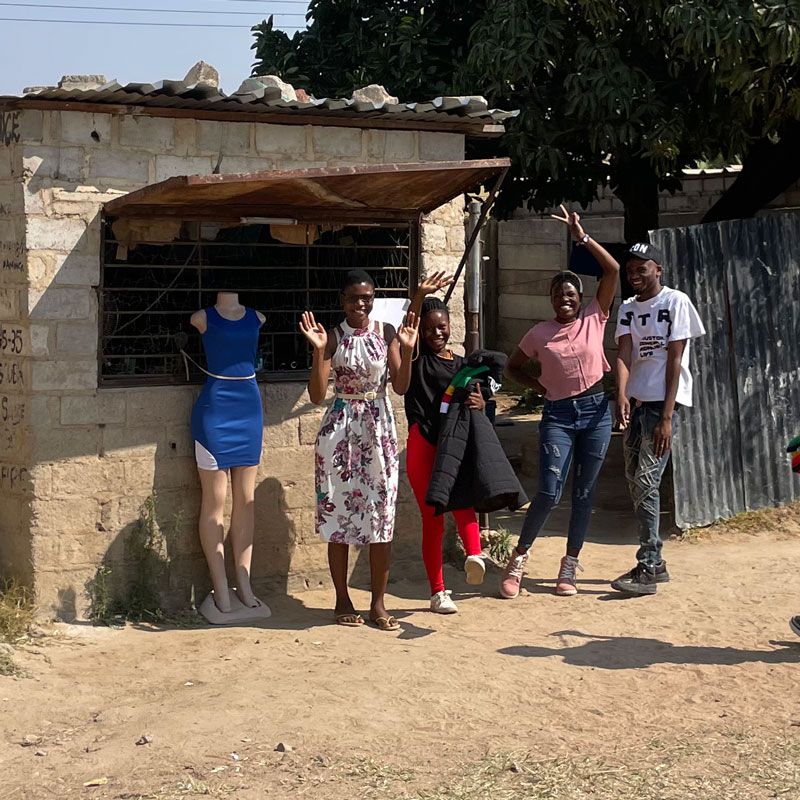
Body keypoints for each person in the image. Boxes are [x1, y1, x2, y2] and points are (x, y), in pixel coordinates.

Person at [500, 206, 619, 599]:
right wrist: (537, 386)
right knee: (550, 491)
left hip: (597, 412)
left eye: (569, 293)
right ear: (551, 300)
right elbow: (512, 367)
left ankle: (568, 566)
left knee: (584, 493)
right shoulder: (539, 333)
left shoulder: (594, 317)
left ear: (580, 298)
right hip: (558, 415)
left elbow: (613, 271)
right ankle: (518, 559)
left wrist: (582, 237)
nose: (563, 299)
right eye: (557, 295)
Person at [299, 269, 419, 630]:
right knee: (338, 517)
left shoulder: (386, 332)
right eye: (354, 298)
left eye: (366, 297)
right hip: (339, 433)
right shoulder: (332, 337)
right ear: (343, 300)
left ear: (373, 298)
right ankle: (342, 598)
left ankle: (378, 604)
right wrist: (319, 352)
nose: (361, 304)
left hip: (378, 429)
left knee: (381, 517)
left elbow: (400, 386)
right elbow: (318, 395)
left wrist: (409, 351)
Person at [611, 241, 705, 595]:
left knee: (648, 483)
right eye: (631, 270)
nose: (635, 274)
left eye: (642, 268)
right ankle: (656, 564)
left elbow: (674, 360)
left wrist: (666, 416)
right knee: (635, 483)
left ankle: (649, 563)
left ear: (658, 269)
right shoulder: (628, 308)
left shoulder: (675, 301)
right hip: (635, 406)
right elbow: (623, 354)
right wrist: (620, 394)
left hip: (659, 407)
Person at [404, 273, 486, 614]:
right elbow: (406, 327)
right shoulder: (416, 362)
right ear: (421, 332)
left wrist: (480, 403)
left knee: (464, 499)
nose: (437, 333)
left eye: (442, 327)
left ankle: (474, 555)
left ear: (451, 325)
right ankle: (438, 592)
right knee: (434, 517)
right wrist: (420, 295)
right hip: (423, 444)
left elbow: (480, 400)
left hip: (455, 444)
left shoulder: (463, 364)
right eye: (429, 328)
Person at [189, 291, 271, 622]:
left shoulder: (257, 316)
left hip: (249, 408)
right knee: (215, 499)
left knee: (246, 498)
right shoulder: (202, 317)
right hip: (215, 408)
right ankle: (220, 586)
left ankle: (244, 584)